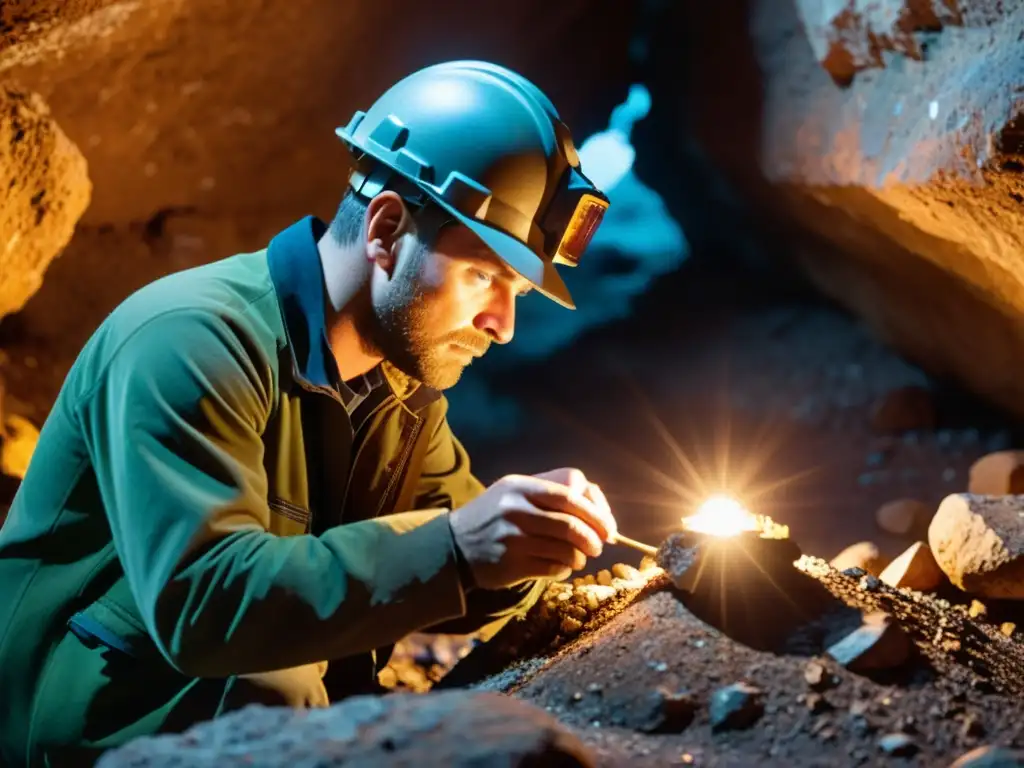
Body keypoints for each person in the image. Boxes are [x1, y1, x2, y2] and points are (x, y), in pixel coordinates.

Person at [0, 60, 616, 766]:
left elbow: (461, 573)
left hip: (190, 715)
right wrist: (458, 548)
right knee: (272, 683)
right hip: (63, 734)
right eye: (484, 276)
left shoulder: (397, 394)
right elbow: (204, 604)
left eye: (519, 294)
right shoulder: (187, 339)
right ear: (386, 230)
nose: (502, 324)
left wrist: (532, 544)